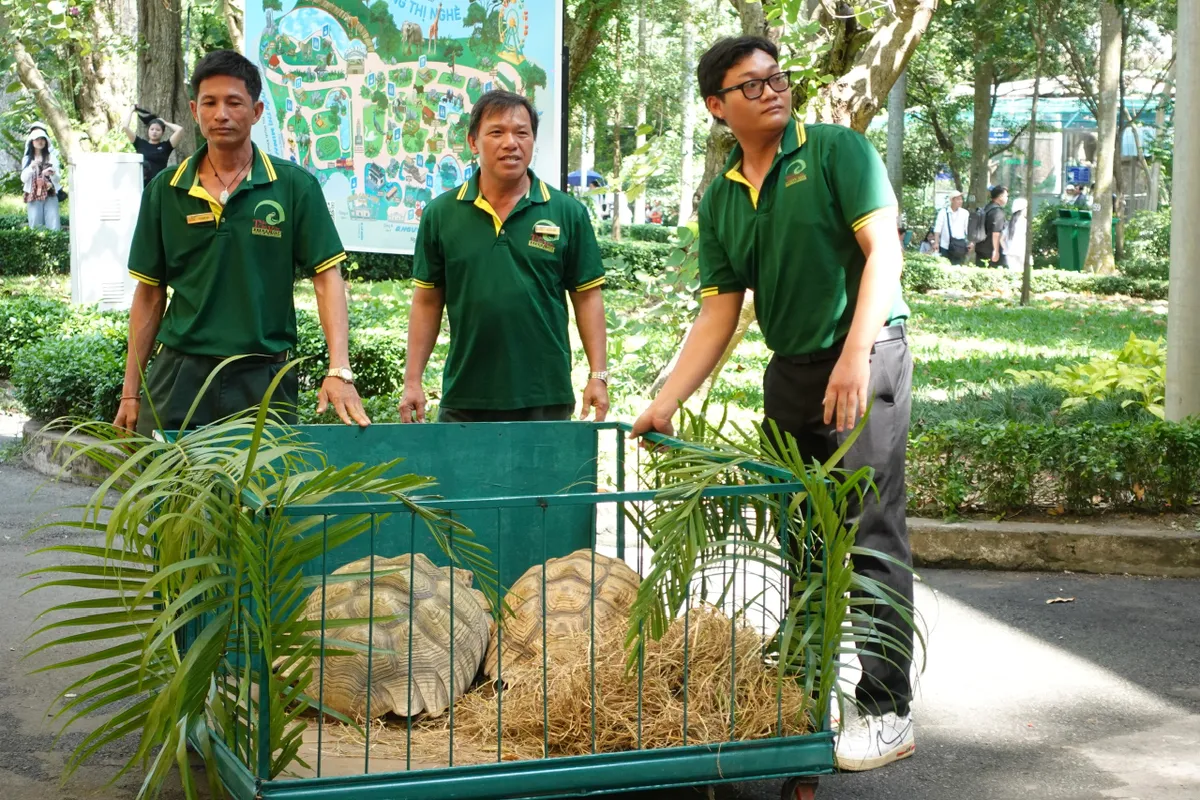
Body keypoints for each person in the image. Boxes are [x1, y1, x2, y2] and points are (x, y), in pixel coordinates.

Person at [630, 36, 915, 772]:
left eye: (776, 78)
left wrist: (854, 357)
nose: (771, 91)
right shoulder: (722, 198)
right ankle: (805, 695)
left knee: (870, 532)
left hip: (866, 353)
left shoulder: (836, 152)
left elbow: (884, 253)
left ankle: (887, 709)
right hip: (790, 372)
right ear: (716, 106)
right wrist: (665, 401)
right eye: (750, 85)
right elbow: (720, 311)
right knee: (803, 538)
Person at [114, 49, 370, 436]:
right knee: (167, 477)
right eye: (209, 103)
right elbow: (149, 293)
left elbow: (327, 278)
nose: (221, 114)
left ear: (256, 111)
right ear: (194, 110)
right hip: (179, 376)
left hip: (263, 377)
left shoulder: (293, 186)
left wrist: (340, 370)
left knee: (265, 478)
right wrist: (130, 392)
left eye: (234, 102)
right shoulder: (165, 190)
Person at [400, 90, 609, 424]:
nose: (511, 143)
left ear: (533, 141)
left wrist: (598, 375)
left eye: (522, 133)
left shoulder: (567, 212)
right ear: (473, 142)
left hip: (545, 394)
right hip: (465, 394)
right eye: (496, 132)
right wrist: (412, 381)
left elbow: (587, 297)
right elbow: (427, 301)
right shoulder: (441, 214)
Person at [126, 107, 185, 186]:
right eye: (152, 129)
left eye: (158, 130)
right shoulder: (140, 143)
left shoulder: (166, 146)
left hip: (159, 185)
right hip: (142, 185)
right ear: (148, 131)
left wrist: (165, 122)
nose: (154, 132)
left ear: (162, 132)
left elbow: (180, 130)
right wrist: (131, 110)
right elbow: (125, 127)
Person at [21, 123, 62, 231]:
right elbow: (23, 179)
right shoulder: (27, 159)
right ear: (32, 142)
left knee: (53, 223)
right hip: (33, 193)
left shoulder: (52, 157)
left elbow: (58, 179)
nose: (40, 141)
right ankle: (36, 242)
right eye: (37, 139)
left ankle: (54, 241)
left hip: (50, 192)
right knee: (35, 224)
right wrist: (31, 167)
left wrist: (52, 174)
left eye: (42, 139)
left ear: (46, 141)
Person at [933, 190, 971, 264]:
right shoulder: (943, 212)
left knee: (958, 266)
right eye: (958, 199)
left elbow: (967, 229)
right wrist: (936, 242)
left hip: (960, 246)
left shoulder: (965, 213)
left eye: (961, 199)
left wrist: (970, 242)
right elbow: (938, 228)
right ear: (952, 200)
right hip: (945, 245)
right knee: (944, 265)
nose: (960, 201)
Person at [975, 185, 1008, 267]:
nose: (1007, 198)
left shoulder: (986, 208)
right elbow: (996, 232)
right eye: (1006, 196)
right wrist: (996, 250)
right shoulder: (997, 211)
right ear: (1000, 197)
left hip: (980, 247)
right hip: (991, 249)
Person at [1004, 197, 1028, 271]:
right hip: (1022, 253)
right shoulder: (1024, 222)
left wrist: (1006, 249)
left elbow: (1001, 239)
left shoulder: (1010, 223)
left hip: (1010, 253)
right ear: (1022, 209)